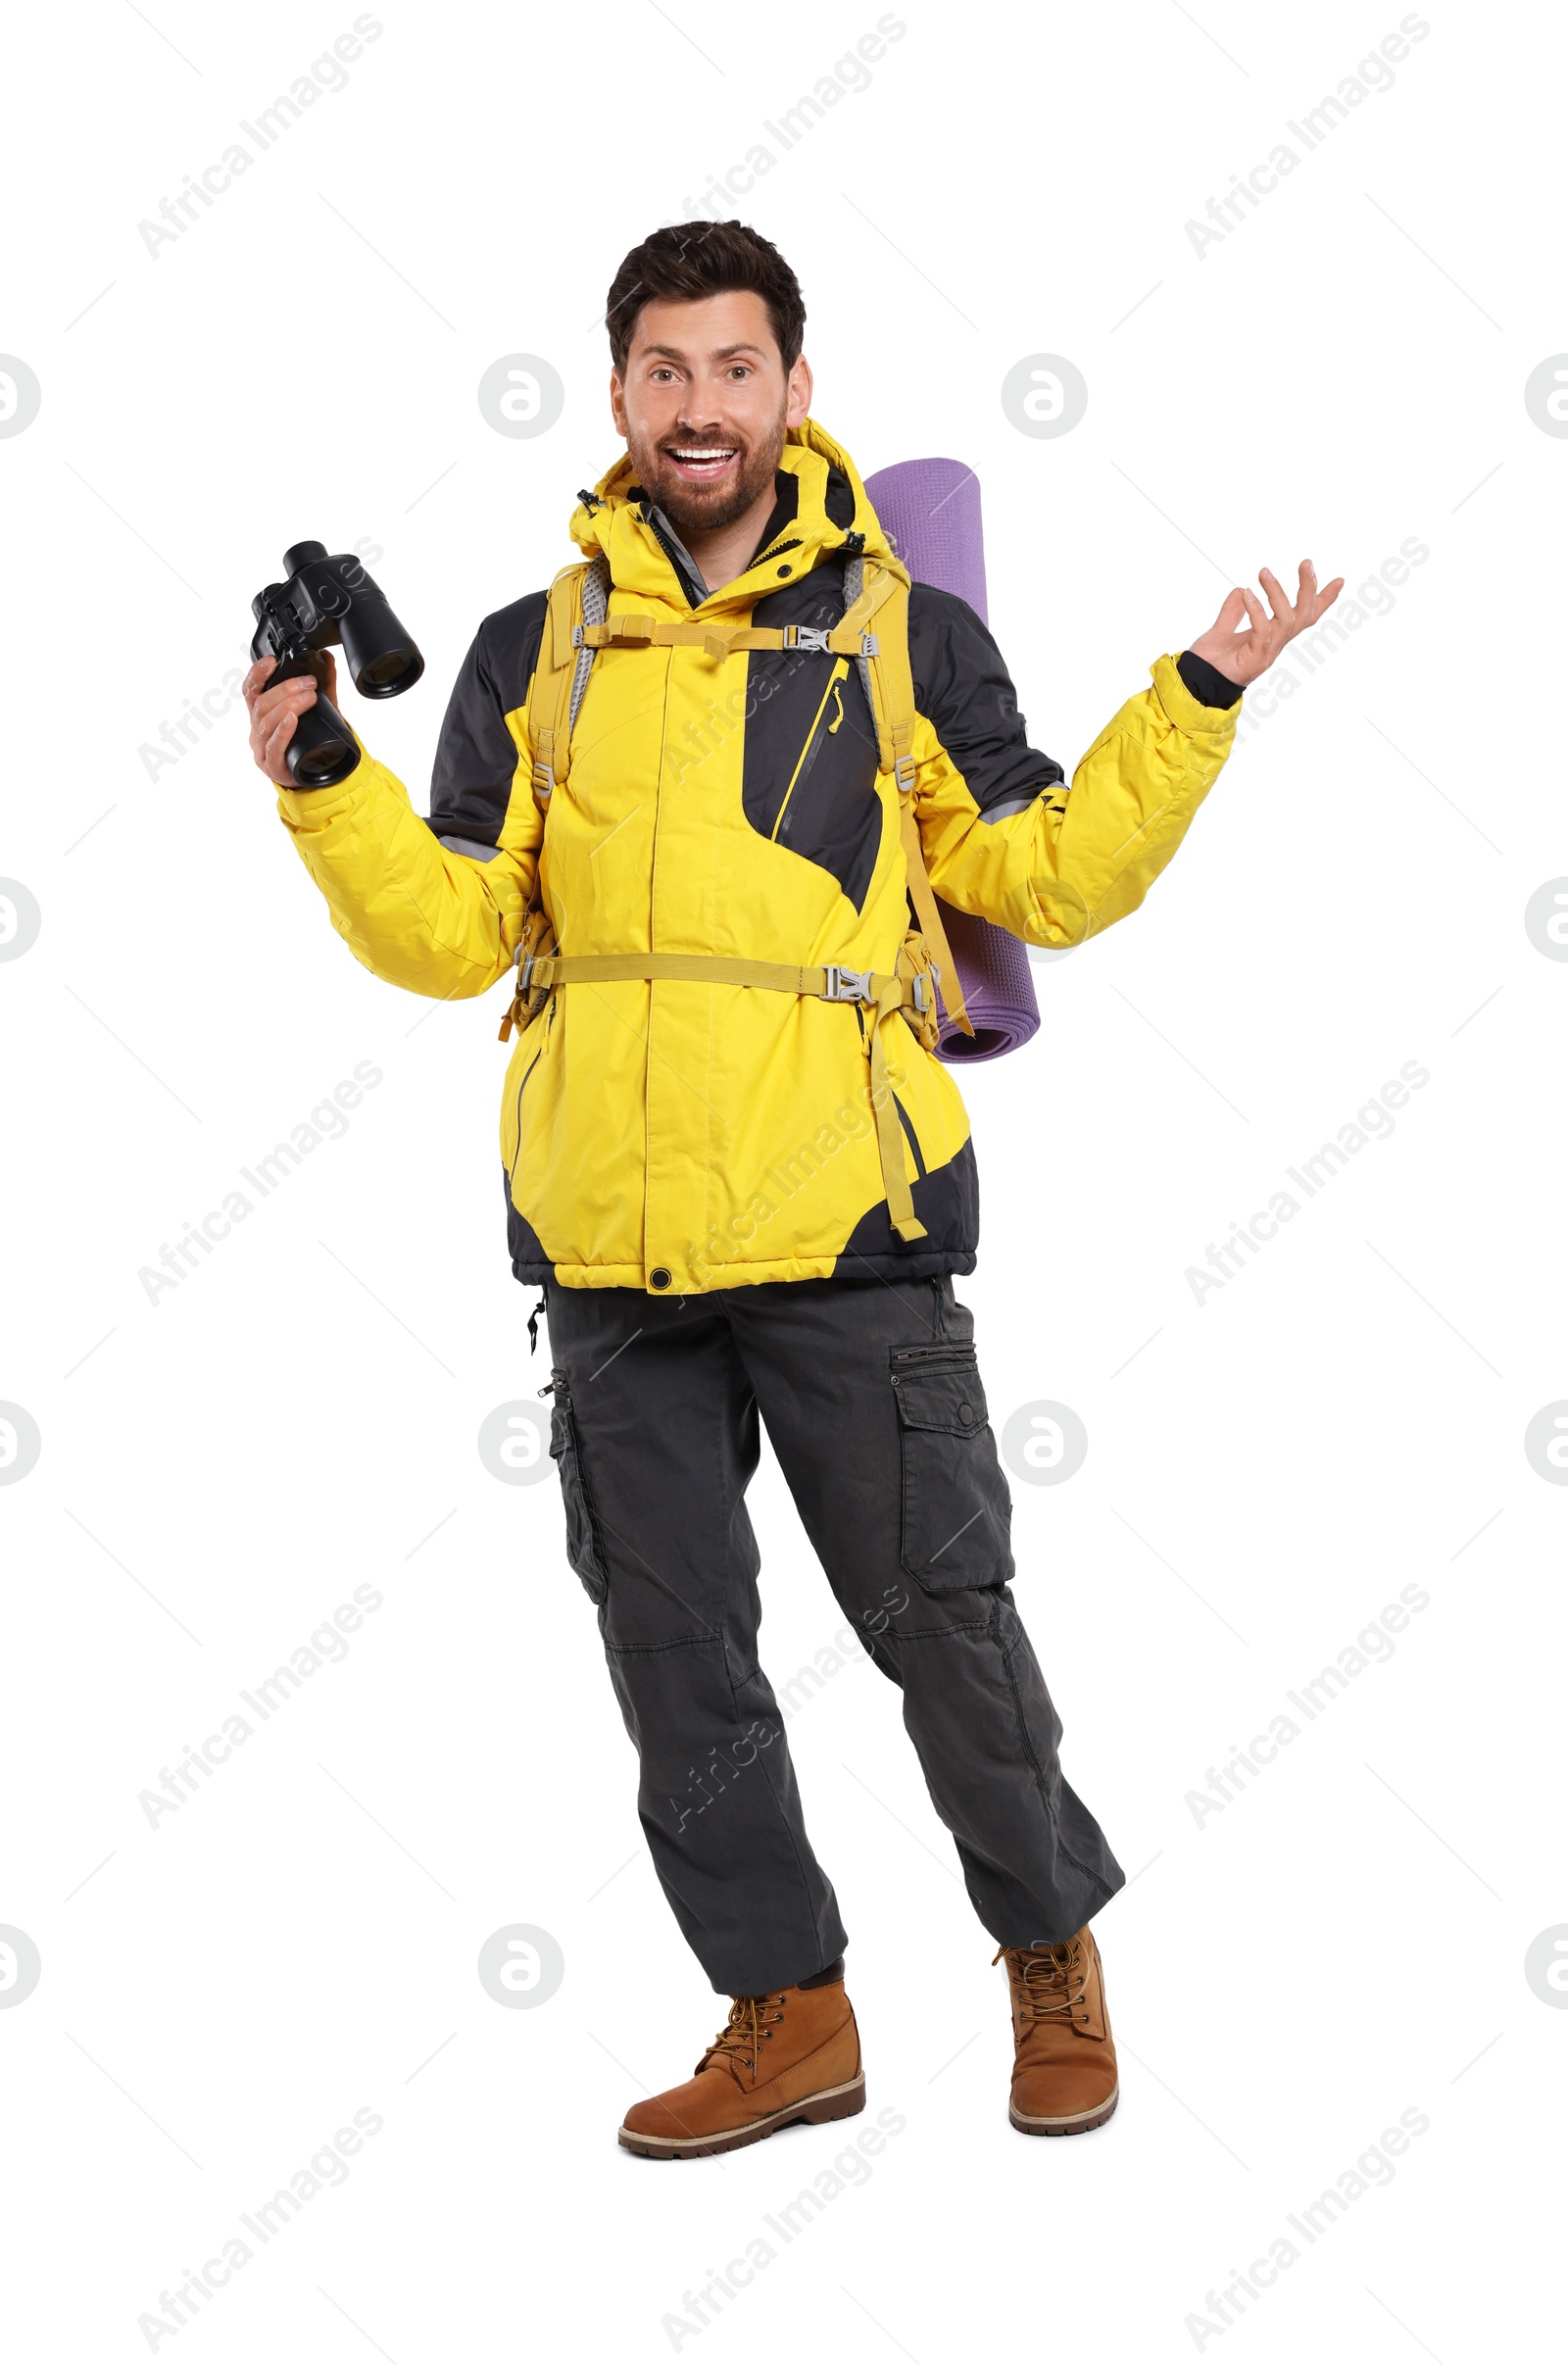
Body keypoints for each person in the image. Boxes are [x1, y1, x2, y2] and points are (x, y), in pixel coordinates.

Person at [245, 221, 1341, 2157]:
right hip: (609, 1245)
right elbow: (450, 934)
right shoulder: (534, 647)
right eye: (662, 370)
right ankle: (789, 2009)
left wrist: (1194, 692)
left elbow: (1047, 874)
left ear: (793, 391)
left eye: (733, 368)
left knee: (945, 1625)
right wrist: (321, 778)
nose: (697, 406)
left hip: (847, 1225)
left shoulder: (902, 629)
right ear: (615, 395)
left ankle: (1044, 1954)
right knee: (674, 1658)